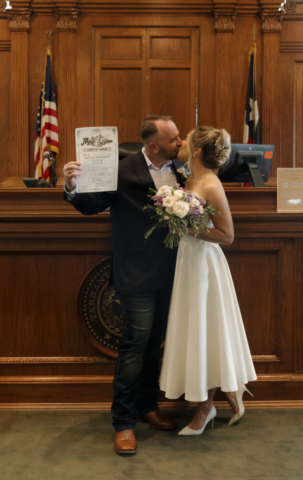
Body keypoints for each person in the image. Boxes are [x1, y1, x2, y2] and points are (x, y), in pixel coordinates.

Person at [63, 115, 184, 455]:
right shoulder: (121, 168)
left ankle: (148, 406)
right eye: (174, 138)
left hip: (173, 272)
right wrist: (71, 186)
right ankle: (123, 422)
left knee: (154, 346)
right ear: (153, 145)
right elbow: (91, 206)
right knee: (133, 348)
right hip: (136, 273)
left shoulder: (183, 170)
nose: (181, 141)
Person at [160, 126, 257, 435]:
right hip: (186, 262)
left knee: (206, 331)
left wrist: (189, 229)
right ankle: (228, 392)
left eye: (185, 141)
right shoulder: (190, 178)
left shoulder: (211, 184)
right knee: (194, 331)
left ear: (197, 150)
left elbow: (227, 235)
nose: (180, 145)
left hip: (204, 263)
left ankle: (205, 409)